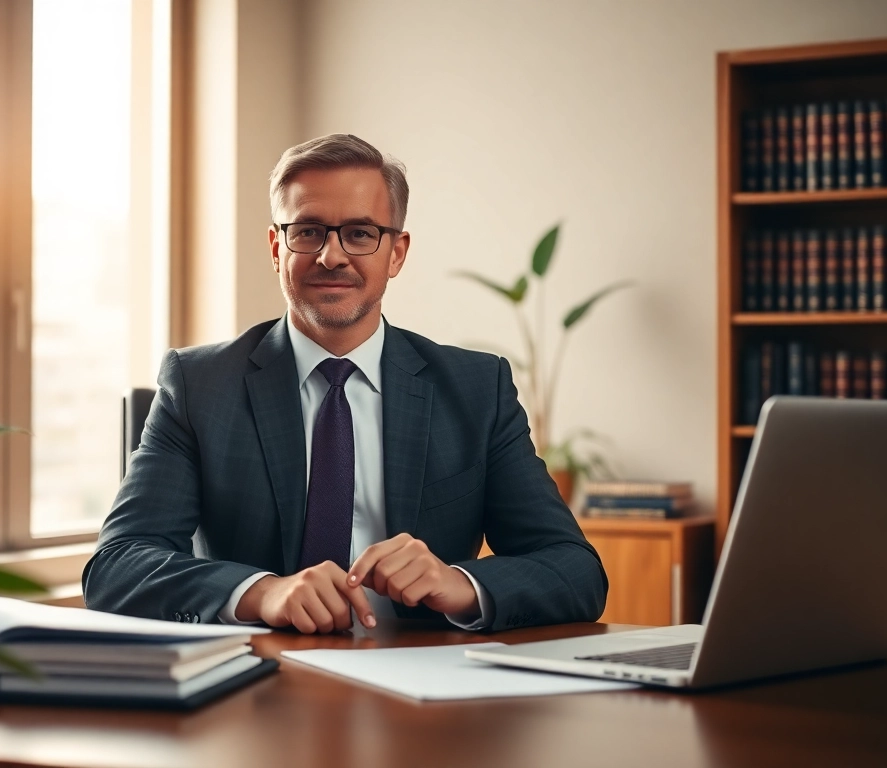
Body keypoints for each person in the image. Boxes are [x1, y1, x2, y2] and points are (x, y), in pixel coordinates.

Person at [83, 133, 606, 633]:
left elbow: (576, 571)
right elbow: (117, 566)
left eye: (360, 233)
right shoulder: (200, 385)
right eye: (307, 231)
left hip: (425, 688)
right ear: (275, 247)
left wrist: (460, 583)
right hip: (256, 684)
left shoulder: (476, 390)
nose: (331, 256)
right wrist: (262, 592)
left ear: (396, 253)